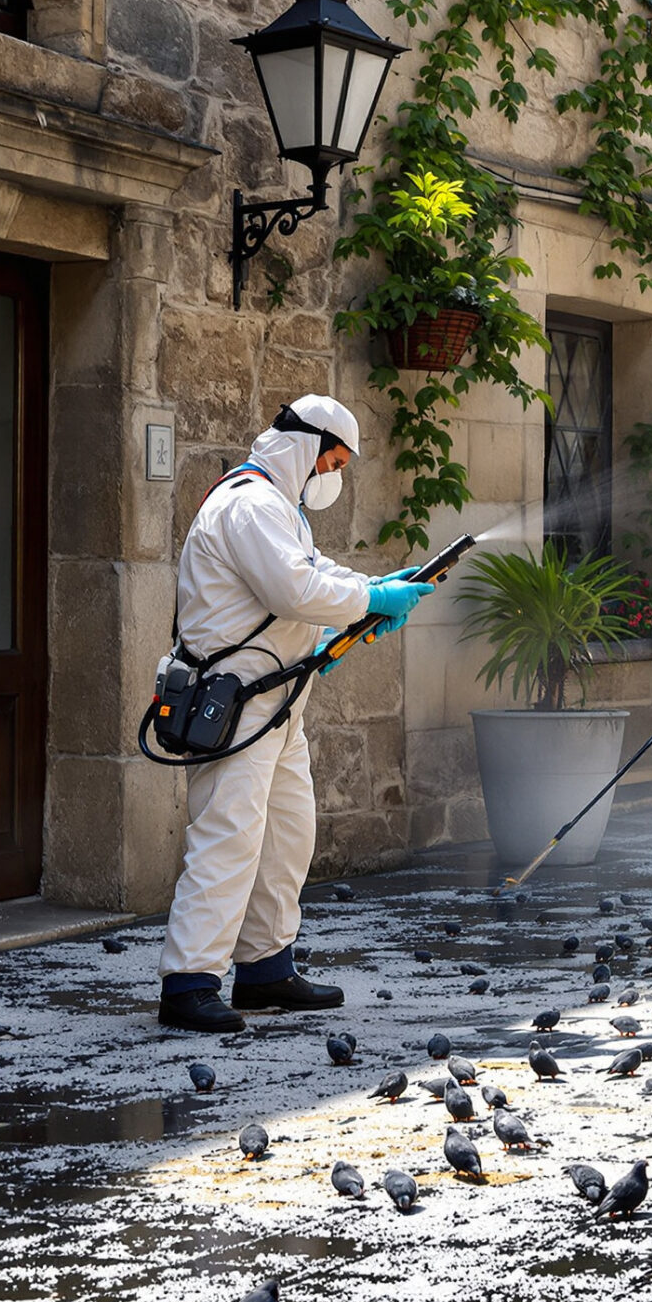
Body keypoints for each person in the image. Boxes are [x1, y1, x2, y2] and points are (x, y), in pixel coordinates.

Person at [156, 395, 437, 1033]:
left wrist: (371, 595)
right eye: (333, 462)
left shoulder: (279, 508)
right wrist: (371, 596)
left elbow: (311, 573)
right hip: (237, 702)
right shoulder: (251, 505)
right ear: (306, 447)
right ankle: (189, 982)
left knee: (287, 834)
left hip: (276, 702)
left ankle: (265, 967)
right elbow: (296, 590)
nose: (334, 475)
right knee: (227, 837)